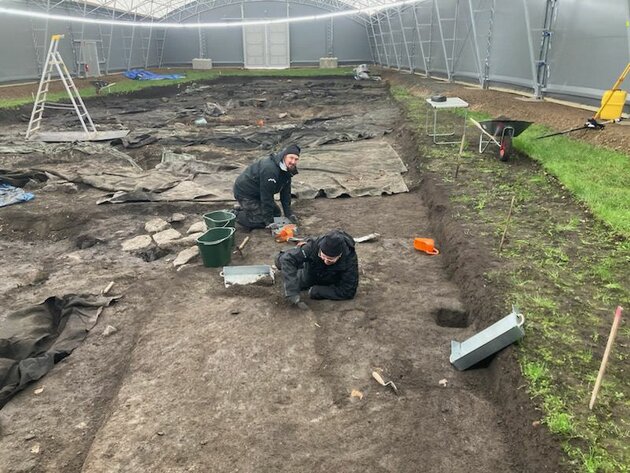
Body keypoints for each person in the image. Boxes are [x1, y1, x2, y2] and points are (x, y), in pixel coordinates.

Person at [275, 230, 359, 309]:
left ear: (340, 255)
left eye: (330, 260)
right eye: (323, 256)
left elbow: (348, 291)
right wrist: (292, 292)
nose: (326, 261)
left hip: (332, 280)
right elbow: (288, 259)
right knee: (283, 262)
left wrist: (317, 291)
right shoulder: (313, 245)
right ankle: (287, 259)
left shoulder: (349, 259)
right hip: (311, 271)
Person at [233, 144, 300, 230]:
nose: (293, 162)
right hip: (245, 193)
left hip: (259, 193)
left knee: (276, 214)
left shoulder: (288, 169)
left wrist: (289, 215)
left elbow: (285, 194)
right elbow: (267, 196)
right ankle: (235, 214)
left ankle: (245, 208)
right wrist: (269, 222)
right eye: (291, 158)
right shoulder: (270, 170)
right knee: (261, 221)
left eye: (296, 159)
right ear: (284, 156)